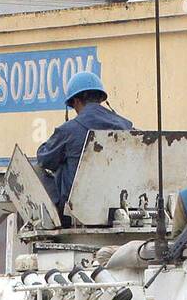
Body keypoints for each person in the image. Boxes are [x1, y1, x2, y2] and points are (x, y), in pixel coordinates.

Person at [35, 71, 132, 218]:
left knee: (35, 168)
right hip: (118, 210)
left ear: (76, 102)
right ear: (100, 99)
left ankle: (56, 220)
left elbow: (44, 159)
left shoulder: (69, 130)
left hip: (77, 213)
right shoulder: (127, 128)